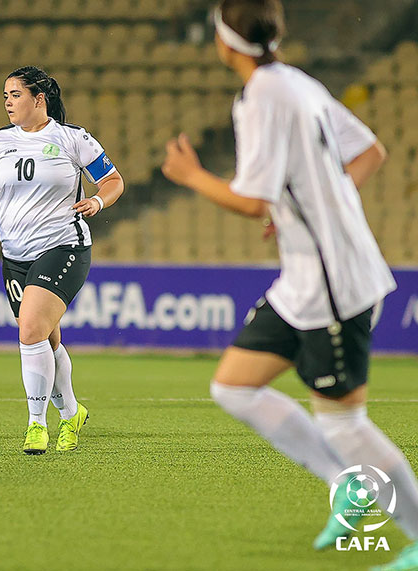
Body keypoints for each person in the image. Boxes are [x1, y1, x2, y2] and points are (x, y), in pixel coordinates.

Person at [162, 1, 418, 568]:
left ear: (225, 41)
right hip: (306, 279)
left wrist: (194, 176)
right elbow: (370, 153)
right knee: (234, 387)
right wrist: (308, 207)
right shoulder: (297, 83)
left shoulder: (260, 100)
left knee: (345, 424)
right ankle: (346, 489)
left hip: (332, 284)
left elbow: (253, 201)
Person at [0, 66, 124, 455]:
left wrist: (97, 199)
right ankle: (72, 413)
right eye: (5, 96)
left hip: (64, 246)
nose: (8, 102)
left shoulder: (72, 138)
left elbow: (113, 181)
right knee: (46, 336)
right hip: (15, 255)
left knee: (29, 330)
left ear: (38, 99)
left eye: (15, 94)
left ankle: (36, 425)